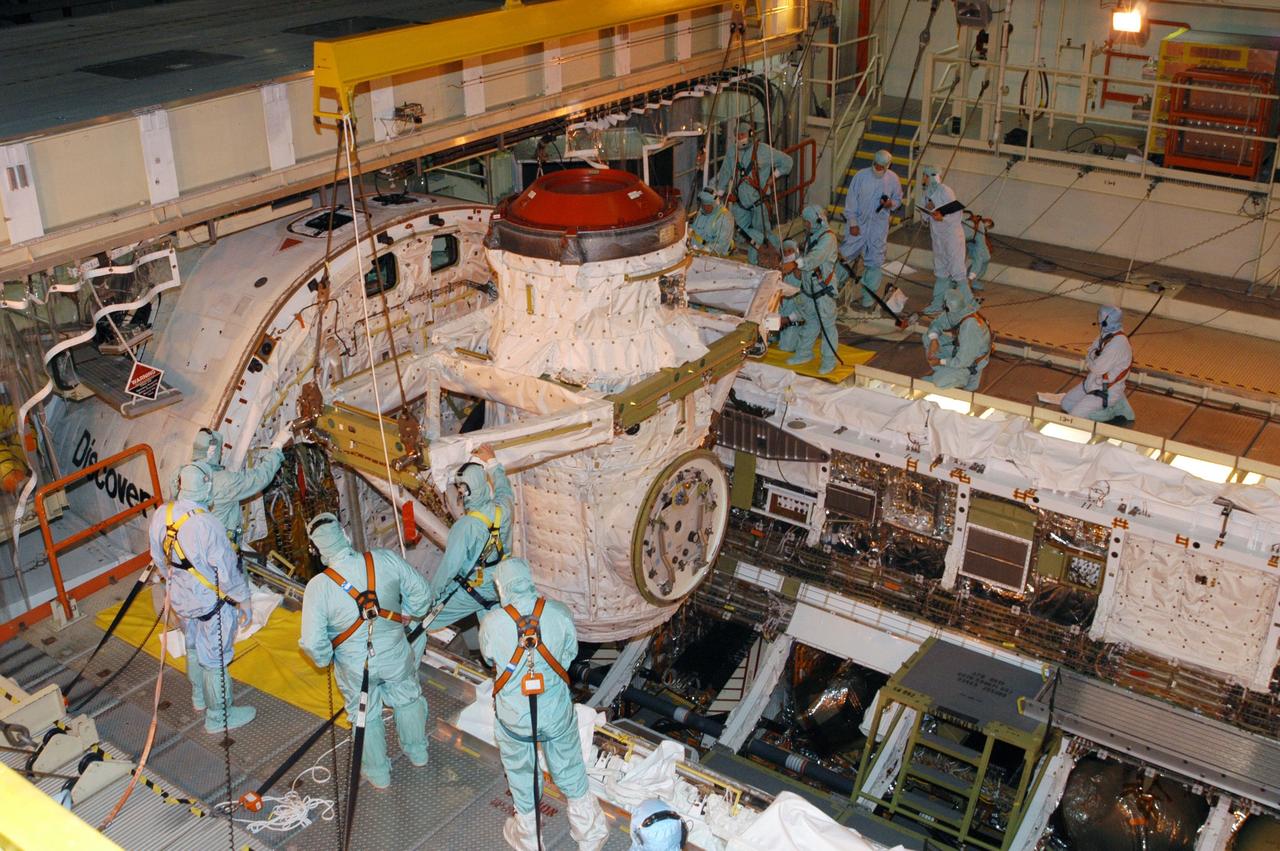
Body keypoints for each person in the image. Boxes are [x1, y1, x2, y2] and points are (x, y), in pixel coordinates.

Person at [479, 558, 608, 851]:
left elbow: (489, 658)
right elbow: (569, 655)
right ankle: (589, 834)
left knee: (521, 773)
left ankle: (529, 839)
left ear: (501, 586)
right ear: (529, 579)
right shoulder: (558, 613)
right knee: (570, 767)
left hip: (514, 718)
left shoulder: (492, 623)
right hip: (555, 712)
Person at [299, 513, 433, 789]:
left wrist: (325, 659)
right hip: (395, 652)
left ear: (318, 550)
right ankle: (418, 752)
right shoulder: (384, 560)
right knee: (408, 698)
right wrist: (408, 615)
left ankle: (378, 773)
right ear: (345, 535)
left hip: (355, 666)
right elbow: (422, 594)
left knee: (366, 715)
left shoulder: (318, 588)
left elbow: (312, 642)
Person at [149, 462, 256, 732]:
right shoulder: (208, 524)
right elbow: (226, 572)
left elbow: (158, 560)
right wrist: (243, 599)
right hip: (210, 604)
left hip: (181, 600)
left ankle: (199, 696)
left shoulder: (162, 513)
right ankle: (219, 716)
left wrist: (175, 585)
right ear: (206, 488)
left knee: (194, 646)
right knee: (214, 660)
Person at [424, 443, 513, 633]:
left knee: (422, 622)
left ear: (464, 491)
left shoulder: (465, 527)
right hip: (500, 584)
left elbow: (449, 568)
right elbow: (504, 488)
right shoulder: (504, 508)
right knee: (495, 634)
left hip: (473, 590)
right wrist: (492, 461)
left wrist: (429, 600)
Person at [175, 426, 288, 548]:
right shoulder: (224, 481)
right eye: (220, 449)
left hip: (194, 545)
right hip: (221, 548)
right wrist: (278, 445)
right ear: (212, 452)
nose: (222, 452)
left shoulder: (180, 475)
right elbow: (260, 477)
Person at [713, 123, 793, 264]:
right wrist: (720, 192)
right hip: (740, 204)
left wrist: (774, 176)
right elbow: (725, 171)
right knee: (739, 232)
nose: (740, 139)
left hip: (759, 204)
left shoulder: (763, 151)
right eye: (737, 136)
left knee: (763, 235)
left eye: (742, 135)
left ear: (750, 134)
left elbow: (787, 161)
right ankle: (757, 254)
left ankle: (775, 256)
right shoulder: (732, 152)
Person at [779, 205, 841, 375]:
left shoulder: (828, 239)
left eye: (807, 222)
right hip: (809, 291)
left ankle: (829, 360)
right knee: (811, 322)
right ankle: (804, 353)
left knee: (827, 327)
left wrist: (795, 264)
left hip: (823, 292)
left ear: (816, 220)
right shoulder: (813, 235)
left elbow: (815, 258)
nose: (805, 225)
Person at [841, 149, 903, 308]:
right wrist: (853, 223)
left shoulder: (893, 179)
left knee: (875, 263)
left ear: (888, 166)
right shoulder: (861, 176)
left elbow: (898, 199)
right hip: (858, 225)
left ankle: (868, 299)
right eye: (876, 165)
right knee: (845, 257)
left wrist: (890, 204)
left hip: (878, 227)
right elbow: (851, 200)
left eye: (881, 166)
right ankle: (834, 290)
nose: (878, 168)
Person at [1060, 306, 1136, 423]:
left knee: (1075, 417)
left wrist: (1091, 361)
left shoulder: (1118, 343)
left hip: (1106, 390)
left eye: (1100, 318)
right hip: (1092, 382)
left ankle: (1113, 408)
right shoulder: (1106, 334)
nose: (1098, 321)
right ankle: (1114, 403)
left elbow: (1096, 368)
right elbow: (1091, 352)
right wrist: (1093, 361)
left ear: (1106, 320)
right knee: (1066, 404)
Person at [920, 165, 970, 314]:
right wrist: (928, 210)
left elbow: (956, 214)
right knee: (941, 271)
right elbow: (925, 218)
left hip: (951, 237)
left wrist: (942, 217)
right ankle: (937, 304)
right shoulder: (927, 193)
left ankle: (968, 305)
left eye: (926, 176)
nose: (924, 179)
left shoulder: (946, 191)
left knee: (957, 272)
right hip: (938, 237)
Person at [924, 287, 990, 391]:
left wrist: (940, 361)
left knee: (939, 382)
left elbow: (963, 361)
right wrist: (934, 339)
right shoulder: (958, 311)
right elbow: (938, 323)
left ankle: (965, 378)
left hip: (969, 362)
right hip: (961, 351)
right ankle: (947, 371)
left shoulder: (970, 326)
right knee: (927, 338)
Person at [688, 189, 733, 256]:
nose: (706, 208)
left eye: (708, 205)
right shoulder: (702, 211)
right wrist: (689, 232)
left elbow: (721, 244)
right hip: (694, 250)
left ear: (715, 203)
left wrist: (705, 251)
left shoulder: (724, 217)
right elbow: (695, 229)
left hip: (711, 254)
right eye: (703, 205)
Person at [964, 212, 993, 292]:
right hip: (978, 251)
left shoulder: (979, 228)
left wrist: (970, 279)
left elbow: (978, 262)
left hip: (982, 255)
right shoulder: (973, 226)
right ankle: (968, 280)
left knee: (979, 265)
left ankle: (970, 280)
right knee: (977, 265)